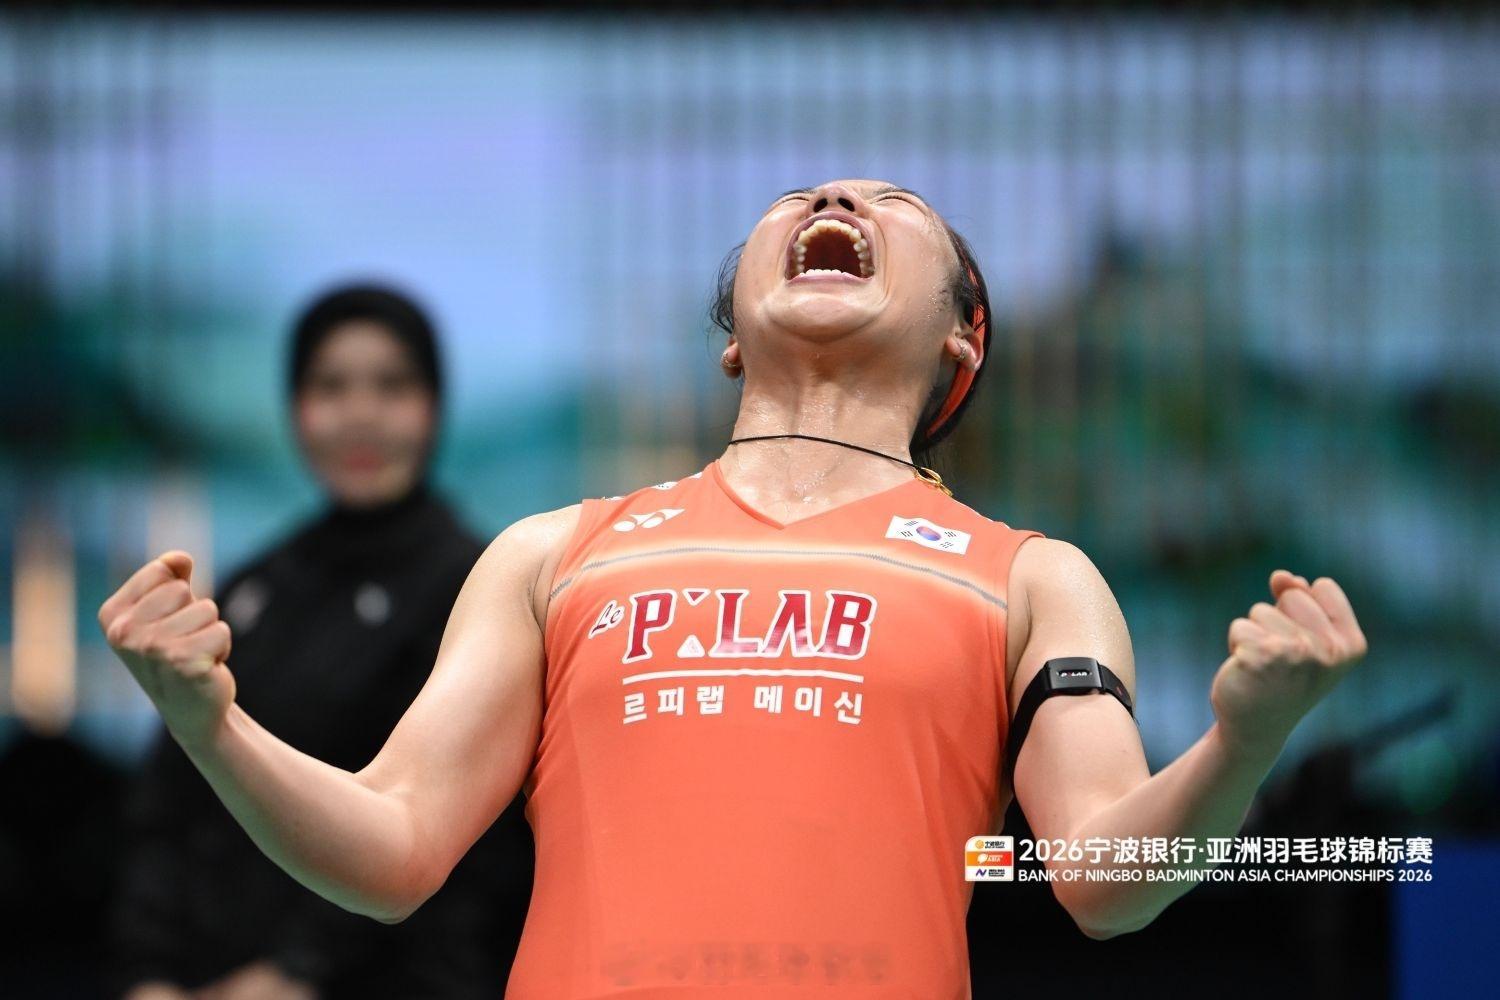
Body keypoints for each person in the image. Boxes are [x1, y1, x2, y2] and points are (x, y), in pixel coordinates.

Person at [98, 181, 1368, 999]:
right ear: (730, 338)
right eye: (796, 199)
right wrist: (213, 722)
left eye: (893, 202)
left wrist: (1244, 738)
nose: (835, 198)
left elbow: (1102, 878)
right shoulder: (554, 554)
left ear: (961, 337)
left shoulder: (1032, 577)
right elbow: (392, 847)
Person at [107, 284, 534, 1000]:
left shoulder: (479, 584)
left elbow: (471, 837)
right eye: (331, 387)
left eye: (391, 386)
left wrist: (296, 974)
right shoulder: (256, 587)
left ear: (433, 406)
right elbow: (172, 803)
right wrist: (149, 974)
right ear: (296, 407)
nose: (360, 414)